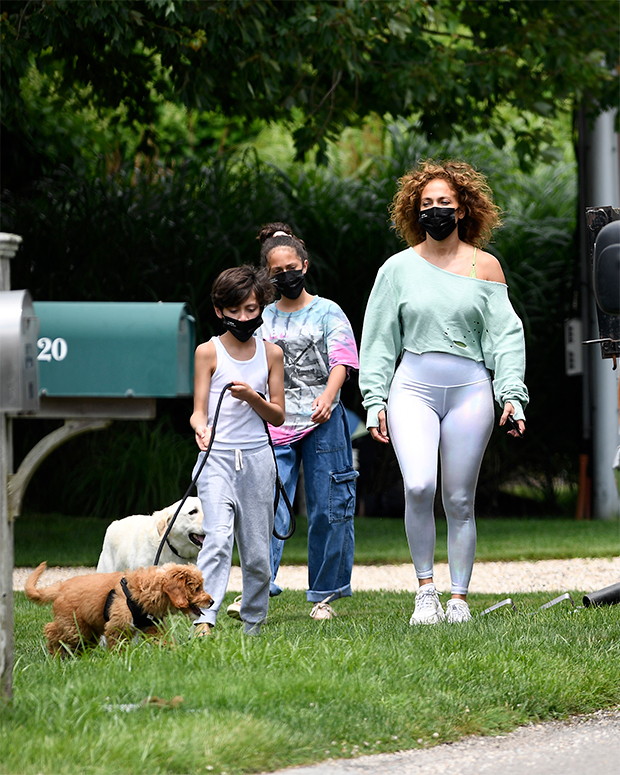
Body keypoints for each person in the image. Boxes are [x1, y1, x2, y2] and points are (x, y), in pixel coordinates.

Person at [359, 159, 528, 625]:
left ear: (462, 210)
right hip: (412, 386)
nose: (435, 210)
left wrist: (512, 394)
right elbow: (377, 340)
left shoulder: (485, 266)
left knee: (458, 498)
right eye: (426, 203)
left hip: (472, 387)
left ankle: (458, 598)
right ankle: (424, 591)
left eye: (444, 203)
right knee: (418, 484)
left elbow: (505, 338)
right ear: (415, 210)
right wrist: (374, 401)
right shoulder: (396, 269)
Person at [257, 222, 359, 620]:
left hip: (324, 422)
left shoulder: (327, 310)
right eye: (277, 271)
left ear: (305, 263)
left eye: (291, 267)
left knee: (328, 507)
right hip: (275, 423)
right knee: (268, 506)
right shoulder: (262, 316)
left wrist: (328, 396)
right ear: (269, 275)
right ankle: (258, 586)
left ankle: (325, 596)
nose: (286, 276)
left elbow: (343, 359)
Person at [190, 265, 285, 636]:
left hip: (259, 459)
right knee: (216, 539)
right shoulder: (207, 352)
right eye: (235, 311)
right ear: (219, 311)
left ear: (261, 308)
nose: (244, 318)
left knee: (259, 553)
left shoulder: (271, 354)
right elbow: (198, 411)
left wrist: (252, 397)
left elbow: (277, 415)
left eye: (251, 310)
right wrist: (201, 428)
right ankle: (204, 618)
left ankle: (253, 623)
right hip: (216, 458)